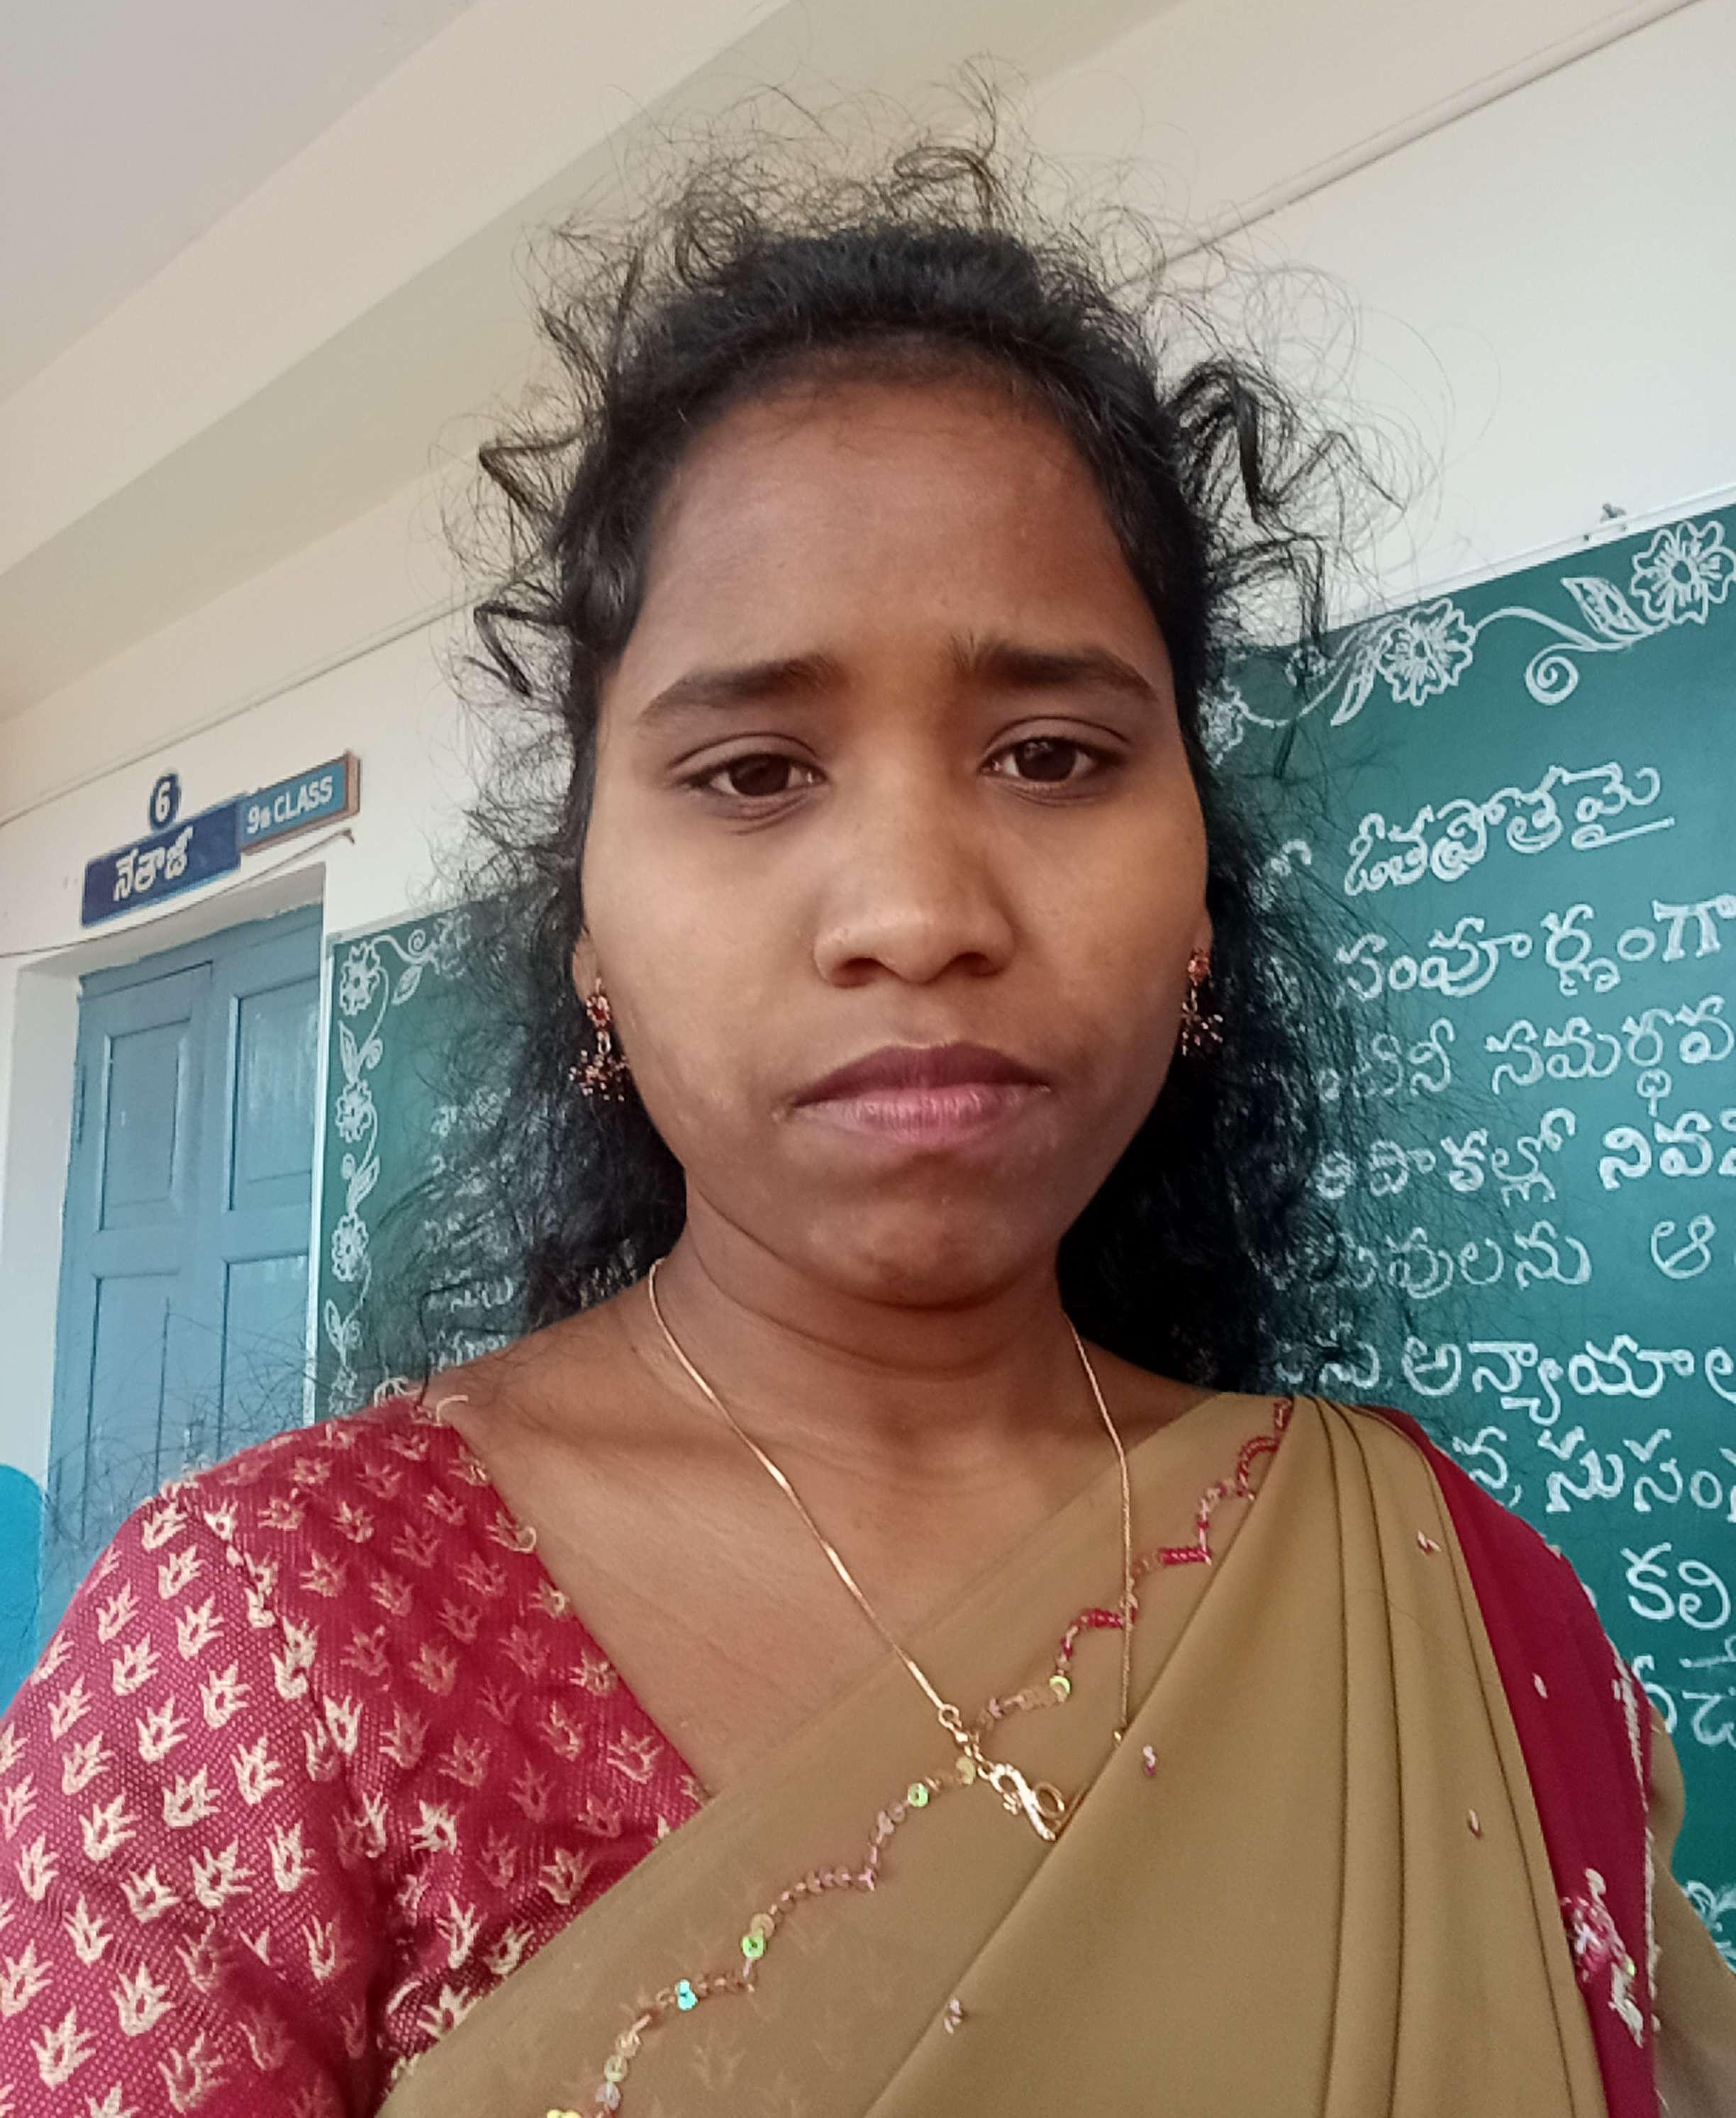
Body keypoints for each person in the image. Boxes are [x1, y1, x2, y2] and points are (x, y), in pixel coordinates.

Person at [3, 110, 1733, 2118]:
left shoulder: (1447, 1597)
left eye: (1055, 755)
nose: (916, 913)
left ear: (1201, 900)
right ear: (589, 939)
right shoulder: (264, 1638)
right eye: (752, 773)